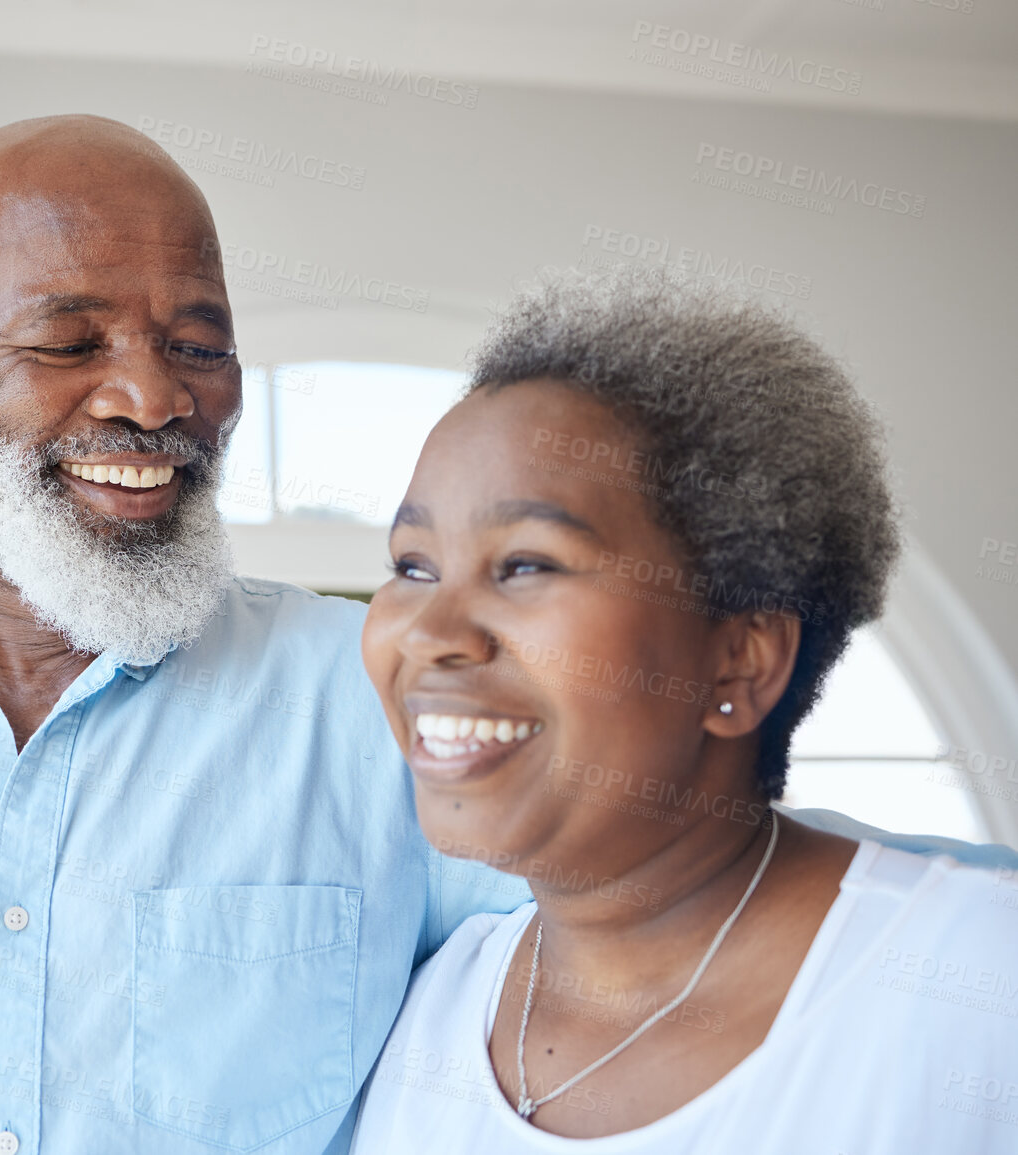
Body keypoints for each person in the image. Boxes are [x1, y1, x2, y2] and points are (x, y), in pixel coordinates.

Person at [0, 118, 1013, 1155]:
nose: (150, 394)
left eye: (199, 340)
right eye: (68, 339)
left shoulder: (396, 720)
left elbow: (683, 895)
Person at [352, 269, 1018, 1152]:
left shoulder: (975, 980)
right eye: (412, 566)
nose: (431, 631)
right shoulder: (434, 1011)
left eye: (526, 564)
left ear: (740, 655)